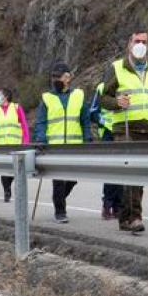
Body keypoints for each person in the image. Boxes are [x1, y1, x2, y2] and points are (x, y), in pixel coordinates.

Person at [95, 29, 148, 234]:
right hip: (124, 127)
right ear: (129, 43)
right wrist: (117, 102)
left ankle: (125, 217)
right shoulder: (117, 68)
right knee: (132, 172)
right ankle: (135, 217)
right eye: (137, 41)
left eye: (144, 41)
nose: (141, 45)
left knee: (138, 175)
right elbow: (102, 98)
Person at [36, 62, 97, 223]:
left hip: (74, 146)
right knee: (59, 180)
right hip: (55, 147)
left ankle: (58, 198)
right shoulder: (47, 98)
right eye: (54, 76)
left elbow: (85, 120)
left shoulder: (78, 96)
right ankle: (60, 211)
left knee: (73, 178)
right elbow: (41, 122)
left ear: (68, 78)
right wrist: (41, 138)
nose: (56, 79)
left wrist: (87, 137)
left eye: (60, 76)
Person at [0, 87, 30, 202]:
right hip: (0, 145)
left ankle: (15, 189)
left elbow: (24, 125)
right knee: (4, 170)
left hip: (15, 144)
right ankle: (7, 190)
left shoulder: (16, 108)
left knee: (15, 169)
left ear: (5, 96)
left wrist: (26, 141)